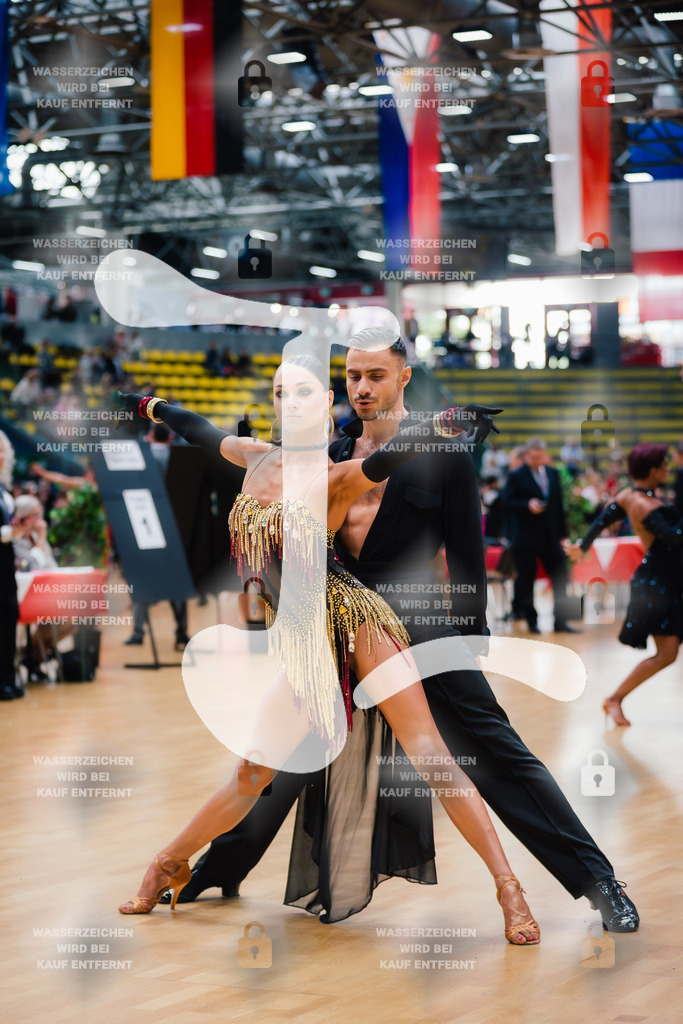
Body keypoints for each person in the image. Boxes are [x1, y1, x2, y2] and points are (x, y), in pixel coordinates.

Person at [161, 334, 638, 934]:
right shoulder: (332, 451)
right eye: (354, 375)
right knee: (281, 761)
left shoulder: (448, 457)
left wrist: (474, 642)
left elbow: (467, 558)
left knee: (498, 756)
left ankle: (602, 887)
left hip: (423, 633)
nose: (364, 387)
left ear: (403, 377)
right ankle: (217, 868)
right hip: (338, 628)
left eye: (377, 376)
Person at [115, 360, 542, 945]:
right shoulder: (255, 456)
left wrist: (443, 424)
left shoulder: (337, 473)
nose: (289, 403)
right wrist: (146, 406)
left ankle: (508, 887)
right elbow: (198, 428)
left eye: (303, 394)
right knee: (253, 769)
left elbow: (394, 456)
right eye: (280, 393)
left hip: (353, 618)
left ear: (324, 407)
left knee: (430, 754)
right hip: (302, 637)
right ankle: (169, 861)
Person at [566, 443, 683, 727]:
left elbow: (599, 522)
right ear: (654, 470)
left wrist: (582, 546)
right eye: (665, 465)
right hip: (660, 584)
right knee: (667, 654)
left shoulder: (628, 496)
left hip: (666, 579)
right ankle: (614, 699)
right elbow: (674, 540)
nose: (668, 469)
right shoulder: (645, 505)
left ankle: (614, 699)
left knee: (667, 654)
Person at [502, 438, 580, 634]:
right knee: (527, 582)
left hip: (551, 536)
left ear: (544, 455)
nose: (537, 461)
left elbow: (558, 507)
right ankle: (532, 620)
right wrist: (527, 505)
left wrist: (563, 535)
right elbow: (506, 502)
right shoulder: (516, 475)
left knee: (561, 577)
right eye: (533, 457)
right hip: (526, 538)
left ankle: (561, 621)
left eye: (540, 457)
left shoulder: (553, 473)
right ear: (526, 456)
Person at [0, 432, 22, 701]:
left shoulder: (4, 489)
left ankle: (8, 676)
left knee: (10, 616)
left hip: (6, 561)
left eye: (3, 450)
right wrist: (6, 531)